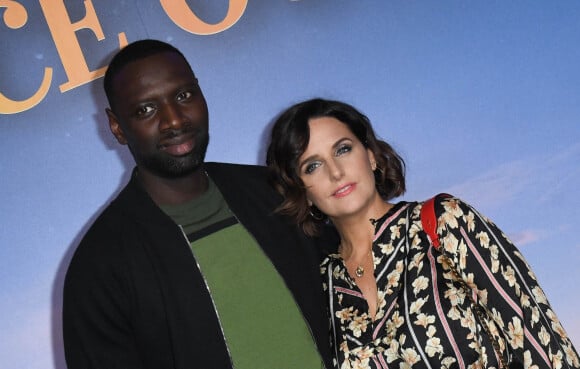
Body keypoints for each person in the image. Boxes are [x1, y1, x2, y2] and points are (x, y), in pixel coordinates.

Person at [62, 40, 333, 369]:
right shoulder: (99, 267)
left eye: (183, 95)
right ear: (117, 126)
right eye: (146, 110)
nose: (174, 120)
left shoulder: (276, 192)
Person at [266, 98, 580, 369]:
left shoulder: (443, 223)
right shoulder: (322, 286)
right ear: (303, 191)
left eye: (343, 149)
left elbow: (542, 344)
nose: (335, 172)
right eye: (312, 166)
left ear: (371, 155)